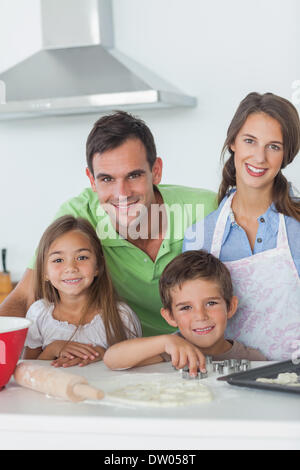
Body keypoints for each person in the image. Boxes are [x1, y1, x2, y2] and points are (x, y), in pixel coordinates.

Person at [0, 111, 217, 337]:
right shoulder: (78, 218)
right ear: (92, 180)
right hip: (126, 356)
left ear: (156, 171)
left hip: (206, 347)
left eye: (134, 176)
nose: (121, 193)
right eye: (107, 179)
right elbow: (25, 296)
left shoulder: (207, 209)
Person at [183, 92, 300, 361]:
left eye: (274, 146)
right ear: (233, 142)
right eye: (250, 141)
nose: (259, 157)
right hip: (227, 382)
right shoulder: (200, 236)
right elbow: (191, 320)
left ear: (286, 155)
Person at [103, 251, 266, 376]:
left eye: (211, 303)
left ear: (230, 307)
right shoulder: (171, 352)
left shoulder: (253, 358)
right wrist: (166, 341)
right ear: (170, 316)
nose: (201, 316)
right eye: (186, 308)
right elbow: (112, 359)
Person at [23, 215, 141, 368]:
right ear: (44, 272)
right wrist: (53, 349)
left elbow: (136, 372)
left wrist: (106, 355)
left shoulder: (121, 316)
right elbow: (28, 369)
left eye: (82, 257)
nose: (71, 268)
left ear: (98, 266)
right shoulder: (37, 314)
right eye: (58, 260)